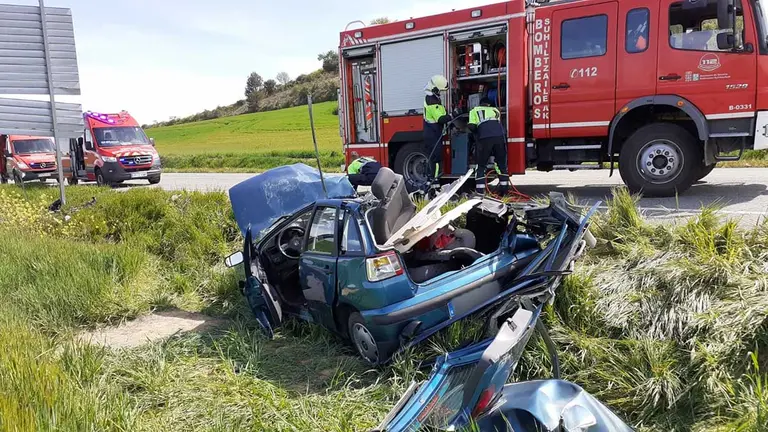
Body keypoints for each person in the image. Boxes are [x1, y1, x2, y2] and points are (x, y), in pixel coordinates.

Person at [468, 97, 509, 195]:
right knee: (501, 165)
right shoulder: (495, 110)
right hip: (500, 137)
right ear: (489, 105)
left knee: (481, 165)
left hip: (485, 138)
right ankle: (504, 191)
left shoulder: (474, 110)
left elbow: (472, 126)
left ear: (480, 104)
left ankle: (480, 191)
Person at [423, 75, 453, 194]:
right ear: (435, 89)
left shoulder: (434, 99)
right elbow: (440, 118)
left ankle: (432, 184)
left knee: (436, 159)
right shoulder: (431, 100)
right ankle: (433, 185)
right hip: (432, 135)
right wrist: (452, 115)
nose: (441, 92)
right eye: (440, 90)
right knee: (435, 160)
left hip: (434, 134)